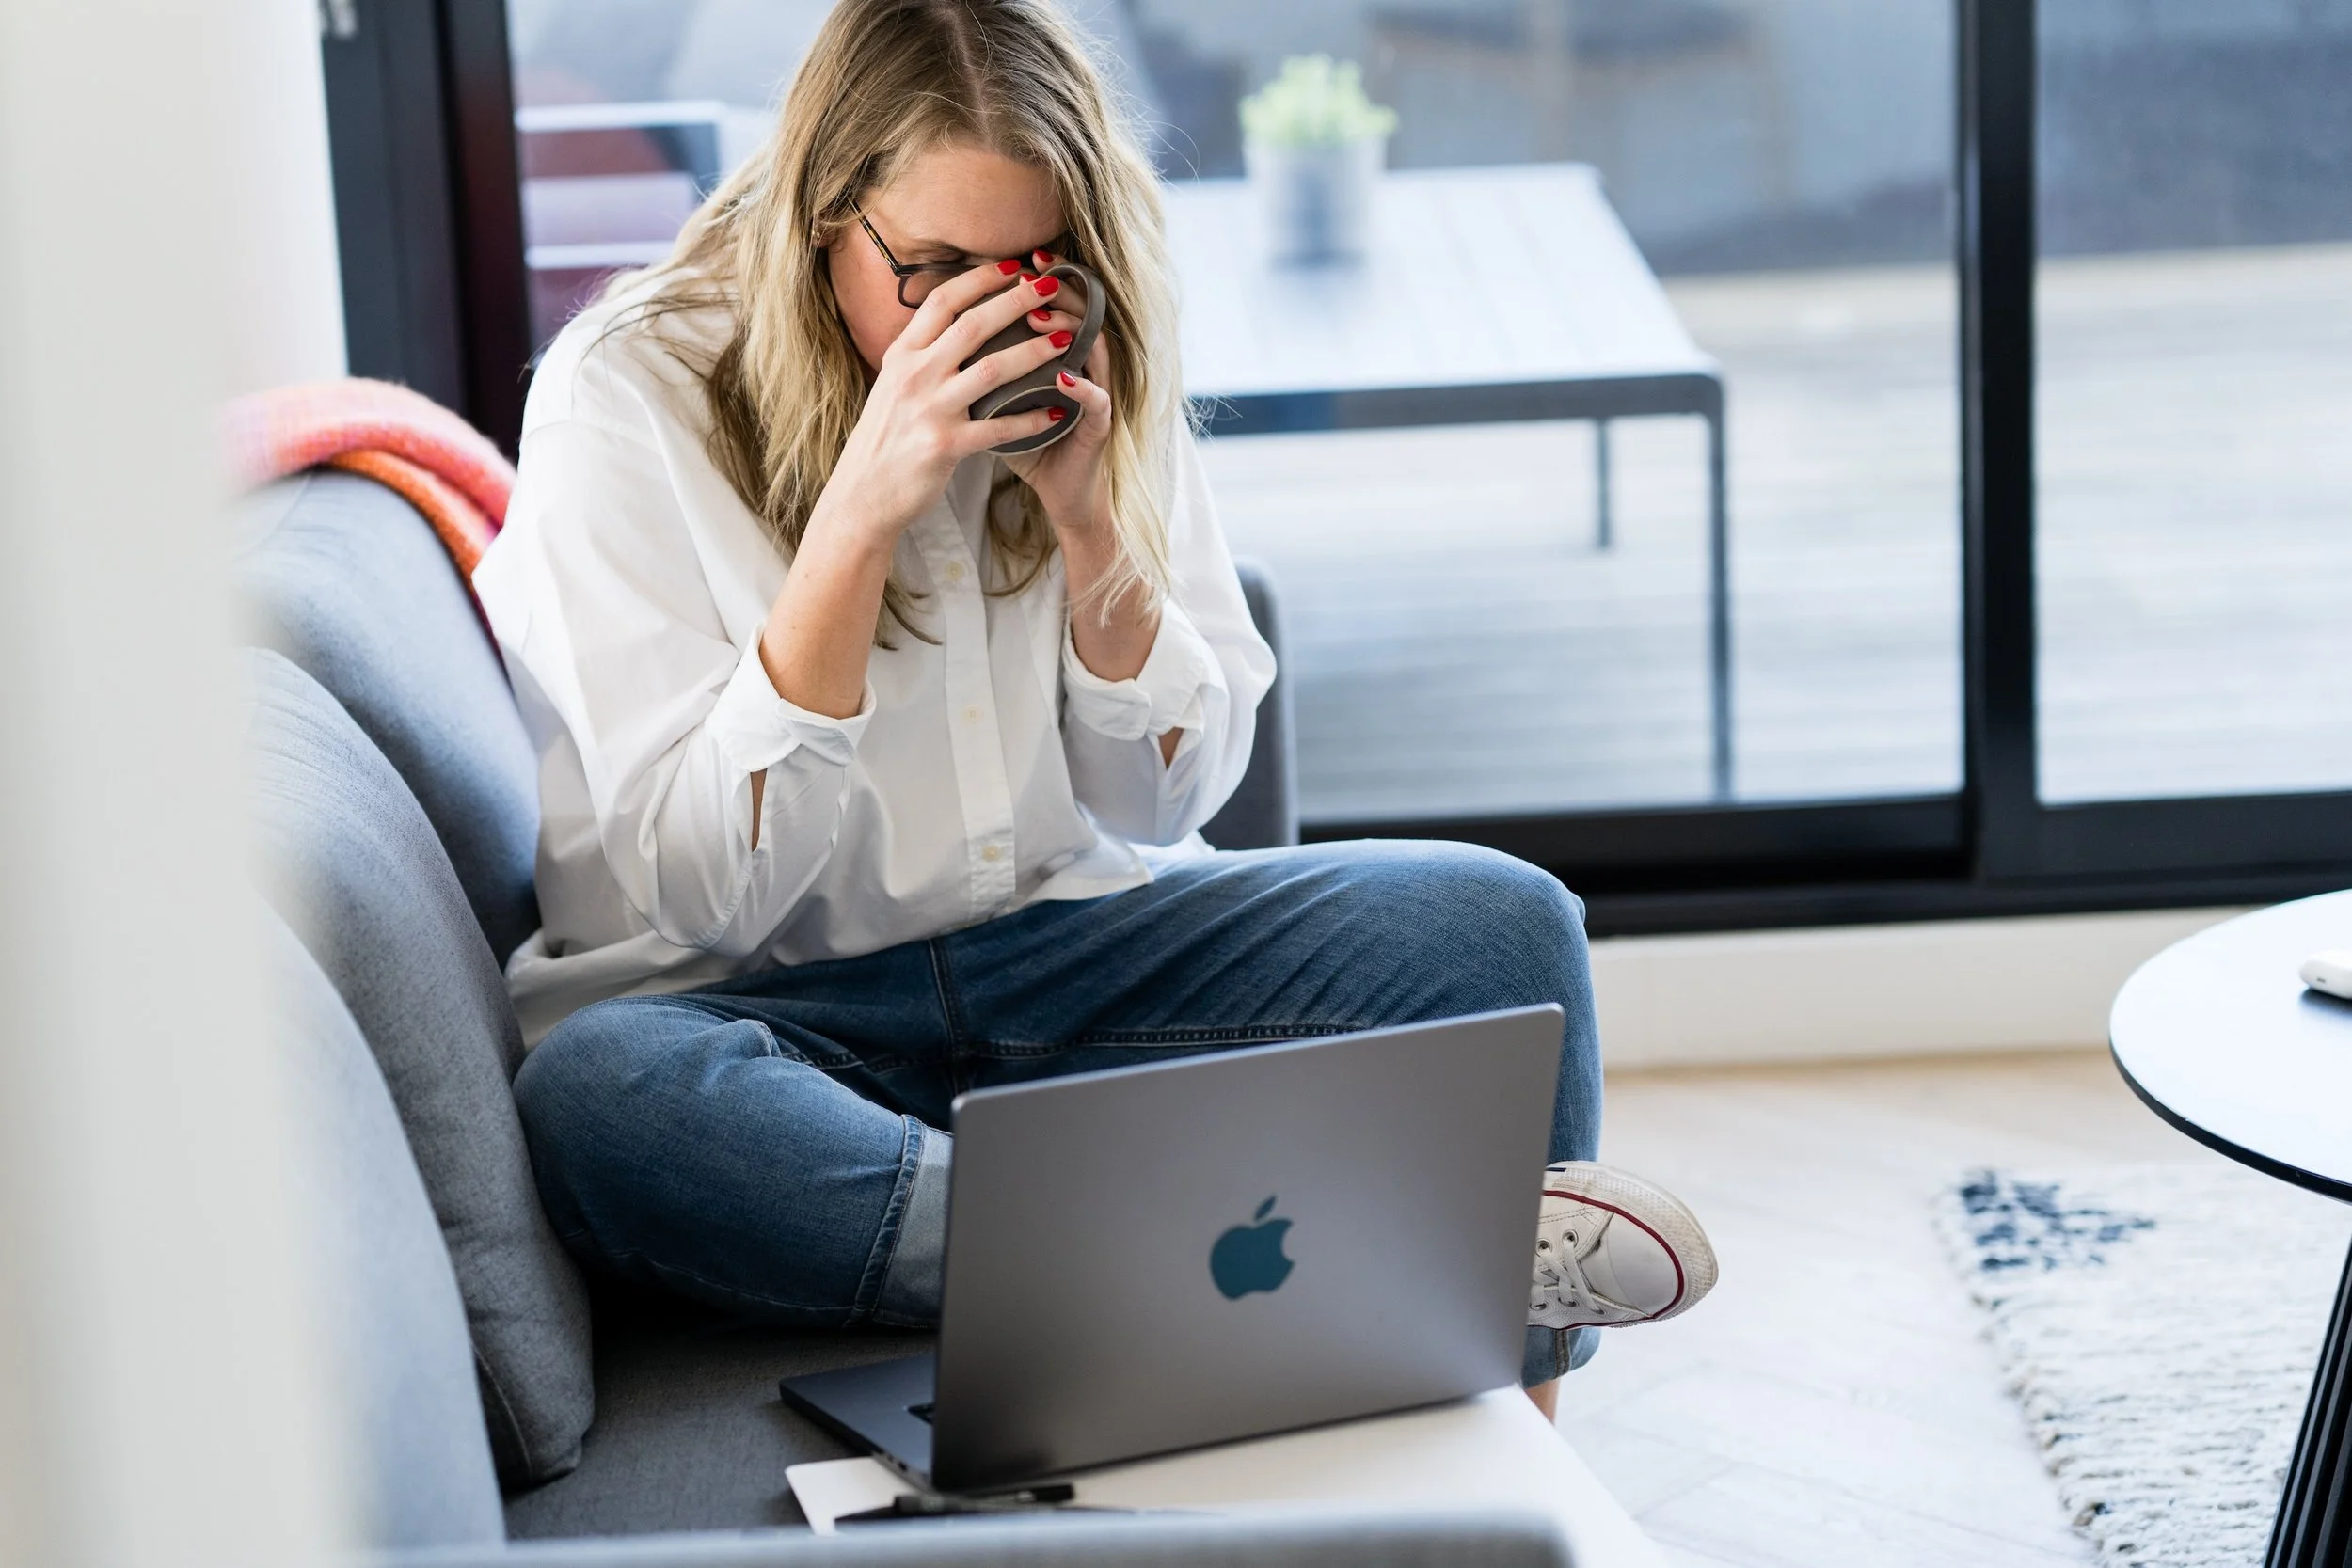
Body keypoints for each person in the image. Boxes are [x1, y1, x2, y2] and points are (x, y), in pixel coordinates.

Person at [472, 0, 1717, 1420]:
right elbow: (705, 891)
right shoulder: (627, 392)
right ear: (820, 217)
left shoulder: (1091, 345)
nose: (990, 317)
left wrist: (1088, 522)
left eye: (1031, 267)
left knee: (1510, 930)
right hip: (766, 1013)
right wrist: (861, 514)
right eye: (933, 271)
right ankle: (1190, 1256)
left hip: (1067, 966)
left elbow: (1166, 800)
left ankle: (1513, 1476)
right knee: (601, 1101)